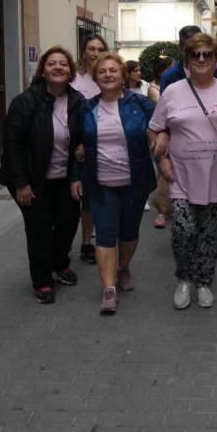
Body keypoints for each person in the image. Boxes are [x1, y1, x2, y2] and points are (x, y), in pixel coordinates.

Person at [149, 33, 217, 309]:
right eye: (195, 54)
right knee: (183, 230)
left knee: (210, 233)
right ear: (186, 59)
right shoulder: (172, 92)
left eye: (207, 54)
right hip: (180, 175)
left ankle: (204, 281)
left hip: (216, 175)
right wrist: (160, 145)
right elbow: (155, 127)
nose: (201, 59)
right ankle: (185, 278)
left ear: (215, 58)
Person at [71, 54, 156, 314]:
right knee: (106, 234)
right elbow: (73, 145)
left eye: (113, 71)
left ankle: (124, 267)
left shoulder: (141, 104)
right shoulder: (86, 107)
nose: (108, 75)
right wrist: (75, 175)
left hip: (135, 182)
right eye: (102, 72)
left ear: (123, 75)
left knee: (129, 232)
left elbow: (161, 128)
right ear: (95, 77)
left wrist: (160, 141)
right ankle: (109, 288)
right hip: (100, 184)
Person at [0, 46, 83, 304]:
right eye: (51, 64)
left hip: (64, 177)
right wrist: (21, 184)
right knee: (39, 231)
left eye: (63, 64)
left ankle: (59, 263)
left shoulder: (78, 101)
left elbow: (86, 132)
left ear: (70, 71)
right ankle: (42, 280)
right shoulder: (26, 102)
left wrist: (83, 146)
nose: (58, 67)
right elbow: (12, 144)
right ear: (43, 70)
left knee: (68, 223)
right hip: (31, 180)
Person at [71, 34, 109, 265]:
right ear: (83, 51)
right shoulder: (73, 77)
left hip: (95, 145)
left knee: (89, 199)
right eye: (91, 48)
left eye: (99, 49)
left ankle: (86, 242)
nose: (94, 53)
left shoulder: (107, 76)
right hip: (68, 142)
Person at [148, 56, 176, 228]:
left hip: (172, 132)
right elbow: (162, 109)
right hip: (158, 132)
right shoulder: (154, 88)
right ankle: (162, 211)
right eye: (170, 68)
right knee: (163, 173)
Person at [160, 26, 217, 93]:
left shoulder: (215, 73)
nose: (200, 58)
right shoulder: (169, 77)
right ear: (181, 48)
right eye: (191, 51)